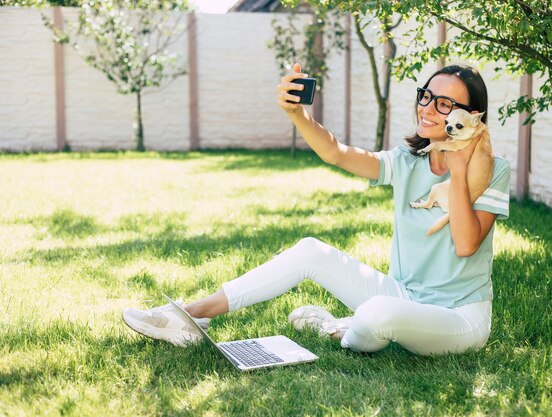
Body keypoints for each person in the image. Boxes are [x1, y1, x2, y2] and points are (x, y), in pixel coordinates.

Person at [122, 63, 510, 355]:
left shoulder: (495, 170)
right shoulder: (408, 162)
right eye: (426, 96)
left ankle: (340, 327)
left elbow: (465, 245)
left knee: (376, 314)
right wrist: (299, 116)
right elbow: (337, 153)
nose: (428, 108)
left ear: (472, 117)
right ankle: (192, 315)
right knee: (310, 250)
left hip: (459, 318)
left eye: (445, 104)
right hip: (403, 294)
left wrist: (458, 175)